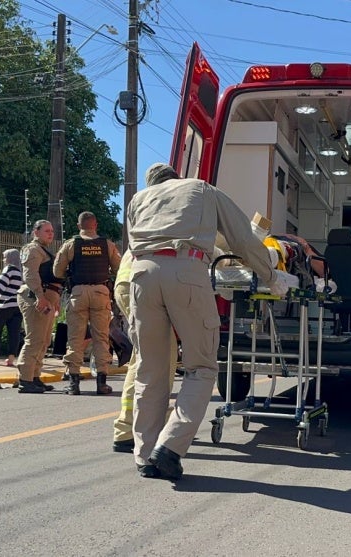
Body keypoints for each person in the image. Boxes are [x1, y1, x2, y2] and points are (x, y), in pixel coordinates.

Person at [126, 162, 294, 480]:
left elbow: (142, 245)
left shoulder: (139, 200)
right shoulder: (201, 189)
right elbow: (243, 239)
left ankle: (145, 456)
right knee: (201, 367)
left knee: (151, 370)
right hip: (186, 274)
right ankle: (170, 447)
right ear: (176, 178)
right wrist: (271, 275)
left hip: (141, 277)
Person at [111, 249, 178, 452]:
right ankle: (146, 425)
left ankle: (128, 428)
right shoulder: (188, 224)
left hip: (133, 284)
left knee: (142, 358)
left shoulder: (155, 221)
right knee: (162, 357)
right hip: (143, 287)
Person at [53, 211, 122, 395]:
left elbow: (57, 271)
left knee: (75, 338)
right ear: (96, 224)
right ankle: (102, 383)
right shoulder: (107, 245)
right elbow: (118, 268)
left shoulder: (71, 244)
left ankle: (74, 383)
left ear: (78, 226)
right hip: (101, 293)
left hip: (78, 293)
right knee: (101, 338)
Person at [15, 220, 64, 394]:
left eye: (52, 231)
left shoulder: (43, 250)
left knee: (44, 340)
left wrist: (53, 299)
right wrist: (40, 296)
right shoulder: (32, 249)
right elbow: (31, 275)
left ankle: (34, 377)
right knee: (35, 339)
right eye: (46, 231)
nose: (51, 234)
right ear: (36, 232)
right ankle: (25, 380)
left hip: (46, 297)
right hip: (34, 297)